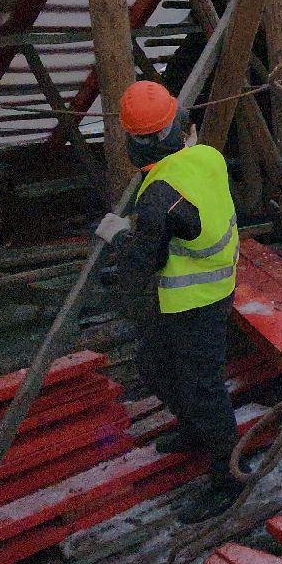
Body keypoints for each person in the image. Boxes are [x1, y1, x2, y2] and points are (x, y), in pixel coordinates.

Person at [105, 80, 244, 523]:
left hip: (195, 299)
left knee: (203, 387)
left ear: (134, 142)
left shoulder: (159, 198)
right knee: (154, 366)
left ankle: (230, 478)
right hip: (205, 287)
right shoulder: (208, 156)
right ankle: (192, 428)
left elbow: (146, 259)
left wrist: (117, 235)